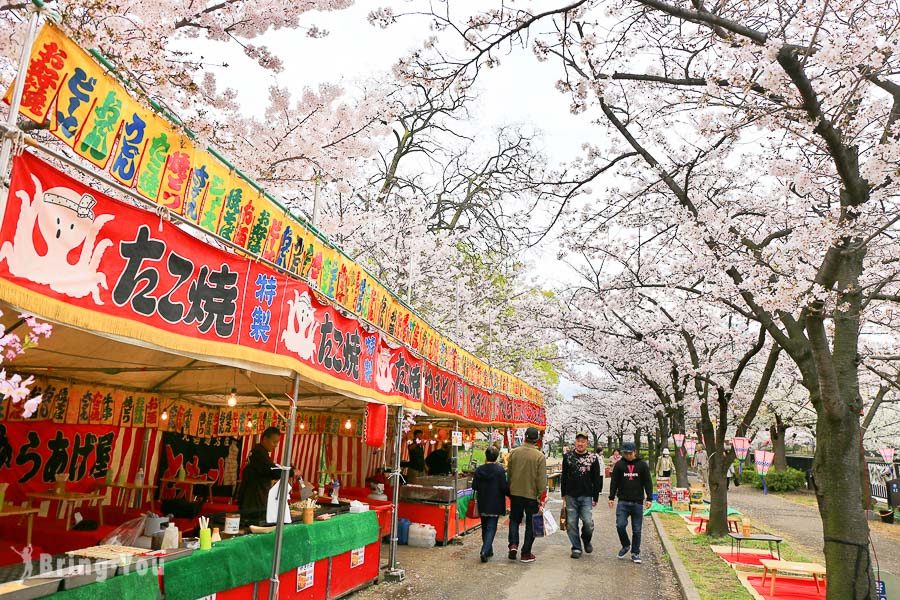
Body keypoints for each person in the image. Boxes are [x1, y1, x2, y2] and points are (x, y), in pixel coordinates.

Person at [507, 426, 547, 563]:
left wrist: (510, 489)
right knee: (531, 524)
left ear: (524, 437)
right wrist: (541, 497)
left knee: (514, 520)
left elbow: (509, 473)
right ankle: (526, 552)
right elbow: (541, 479)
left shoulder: (514, 453)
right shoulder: (539, 456)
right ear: (536, 440)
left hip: (516, 493)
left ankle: (513, 544)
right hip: (531, 495)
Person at [608, 442, 652, 564]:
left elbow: (648, 482)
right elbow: (614, 482)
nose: (627, 455)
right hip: (623, 501)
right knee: (620, 525)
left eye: (630, 453)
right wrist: (611, 497)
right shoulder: (619, 465)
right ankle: (626, 544)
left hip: (637, 502)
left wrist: (649, 498)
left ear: (635, 452)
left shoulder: (642, 465)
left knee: (637, 530)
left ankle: (635, 552)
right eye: (625, 453)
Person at [561, 432, 602, 559]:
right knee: (571, 523)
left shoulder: (593, 458)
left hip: (586, 495)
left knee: (588, 522)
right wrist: (563, 494)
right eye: (578, 441)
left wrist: (595, 497)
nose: (580, 443)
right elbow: (564, 476)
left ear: (587, 443)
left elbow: (597, 479)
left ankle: (586, 539)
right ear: (575, 442)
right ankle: (576, 547)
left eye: (583, 441)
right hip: (571, 495)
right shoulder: (568, 457)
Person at [238, 426, 292, 519]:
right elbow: (271, 471)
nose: (276, 445)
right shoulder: (258, 453)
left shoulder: (261, 453)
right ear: (265, 439)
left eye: (277, 442)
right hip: (253, 501)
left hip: (255, 499)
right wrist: (290, 472)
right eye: (274, 442)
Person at [472, 445, 508, 562]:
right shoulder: (499, 470)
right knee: (491, 527)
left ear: (486, 456)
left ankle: (489, 550)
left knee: (485, 527)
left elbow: (474, 486)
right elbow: (504, 487)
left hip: (483, 501)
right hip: (496, 502)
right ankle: (484, 550)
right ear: (496, 457)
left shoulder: (479, 470)